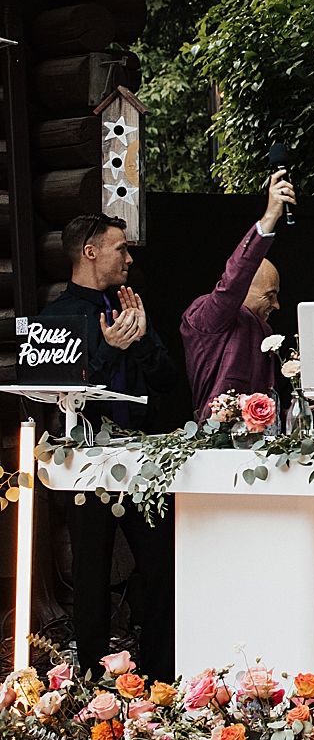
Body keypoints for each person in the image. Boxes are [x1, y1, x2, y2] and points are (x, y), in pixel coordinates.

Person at [54, 212, 179, 681]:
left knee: (161, 569)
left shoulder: (129, 306)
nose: (129, 258)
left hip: (143, 460)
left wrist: (140, 340)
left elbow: (168, 380)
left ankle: (162, 680)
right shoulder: (58, 318)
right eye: (120, 249)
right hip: (88, 464)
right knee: (90, 576)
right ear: (90, 253)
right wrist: (108, 349)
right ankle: (92, 683)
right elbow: (65, 392)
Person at [180, 173, 296, 419]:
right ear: (245, 288)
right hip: (216, 439)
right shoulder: (206, 317)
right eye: (270, 295)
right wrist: (269, 218)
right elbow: (234, 279)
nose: (276, 305)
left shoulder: (261, 329)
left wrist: (295, 414)